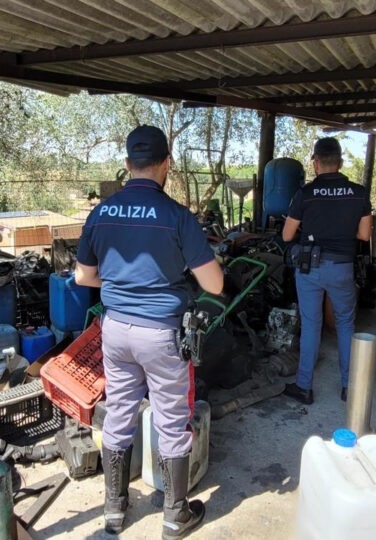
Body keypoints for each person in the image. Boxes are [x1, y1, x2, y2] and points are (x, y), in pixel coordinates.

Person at [75, 125, 224, 539]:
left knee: (119, 413)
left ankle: (114, 510)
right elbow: (214, 285)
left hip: (116, 329)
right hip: (160, 332)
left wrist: (125, 284)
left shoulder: (101, 213)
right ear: (166, 165)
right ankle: (176, 515)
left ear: (127, 165)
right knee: (172, 420)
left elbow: (83, 276)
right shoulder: (176, 216)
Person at [280, 137, 372, 404]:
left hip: (310, 268)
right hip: (342, 267)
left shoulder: (305, 193)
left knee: (311, 325)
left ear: (316, 163)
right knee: (345, 324)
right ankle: (349, 387)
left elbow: (287, 236)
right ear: (340, 163)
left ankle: (304, 387)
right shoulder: (358, 192)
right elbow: (364, 235)